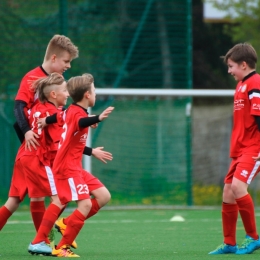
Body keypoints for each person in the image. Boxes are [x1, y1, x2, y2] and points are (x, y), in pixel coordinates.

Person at [29, 73, 114, 257]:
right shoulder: (77, 114)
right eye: (94, 91)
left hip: (74, 166)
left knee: (103, 196)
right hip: (68, 168)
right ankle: (62, 247)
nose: (95, 94)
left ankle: (66, 223)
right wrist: (97, 118)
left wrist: (45, 120)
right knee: (82, 205)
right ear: (87, 95)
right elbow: (81, 121)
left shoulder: (71, 111)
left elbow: (58, 117)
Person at [209, 43, 260, 255]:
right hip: (239, 149)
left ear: (244, 64)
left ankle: (253, 238)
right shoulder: (241, 84)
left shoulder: (255, 83)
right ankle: (229, 242)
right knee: (228, 192)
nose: (229, 71)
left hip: (253, 148)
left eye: (231, 66)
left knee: (238, 188)